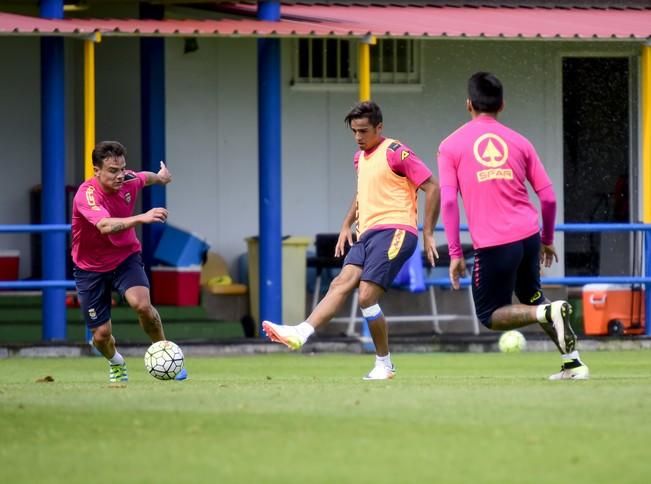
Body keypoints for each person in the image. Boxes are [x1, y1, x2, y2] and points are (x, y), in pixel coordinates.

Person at [262, 101, 440, 380]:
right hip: (367, 234)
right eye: (354, 131)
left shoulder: (396, 152)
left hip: (397, 230)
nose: (358, 137)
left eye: (364, 131)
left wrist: (428, 232)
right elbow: (362, 194)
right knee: (340, 283)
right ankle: (300, 333)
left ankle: (384, 364)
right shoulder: (359, 159)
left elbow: (432, 187)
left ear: (379, 127)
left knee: (366, 296)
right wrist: (346, 224)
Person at [437, 72, 589, 380]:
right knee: (533, 296)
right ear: (502, 105)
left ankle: (546, 313)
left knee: (490, 315)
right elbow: (547, 197)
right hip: (528, 236)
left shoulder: (450, 146)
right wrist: (546, 238)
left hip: (494, 243)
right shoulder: (520, 142)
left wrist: (454, 253)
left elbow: (450, 203)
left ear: (468, 104)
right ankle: (573, 363)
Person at [71, 141, 187, 383]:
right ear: (96, 171)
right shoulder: (86, 195)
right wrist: (142, 217)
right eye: (112, 170)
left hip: (125, 257)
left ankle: (168, 357)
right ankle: (116, 363)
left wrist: (161, 177)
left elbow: (144, 177)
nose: (120, 175)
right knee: (101, 336)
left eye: (122, 168)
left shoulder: (129, 179)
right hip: (90, 268)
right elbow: (104, 226)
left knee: (142, 306)